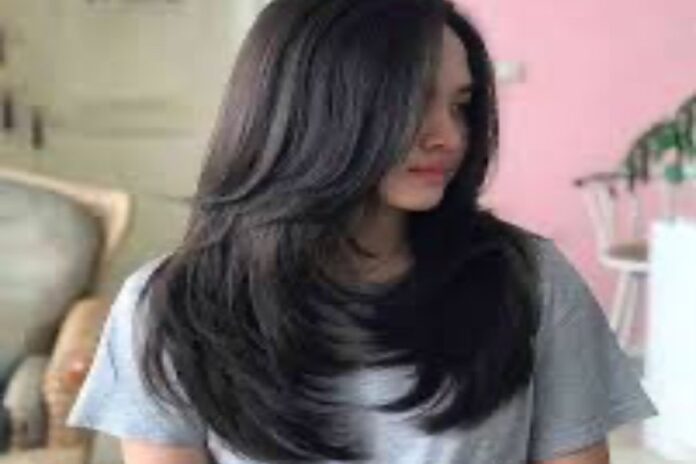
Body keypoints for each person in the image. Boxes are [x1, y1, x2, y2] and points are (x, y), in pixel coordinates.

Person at [67, 0, 656, 462]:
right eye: (413, 101)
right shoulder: (167, 310)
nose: (450, 136)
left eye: (461, 105)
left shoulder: (532, 280)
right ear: (311, 109)